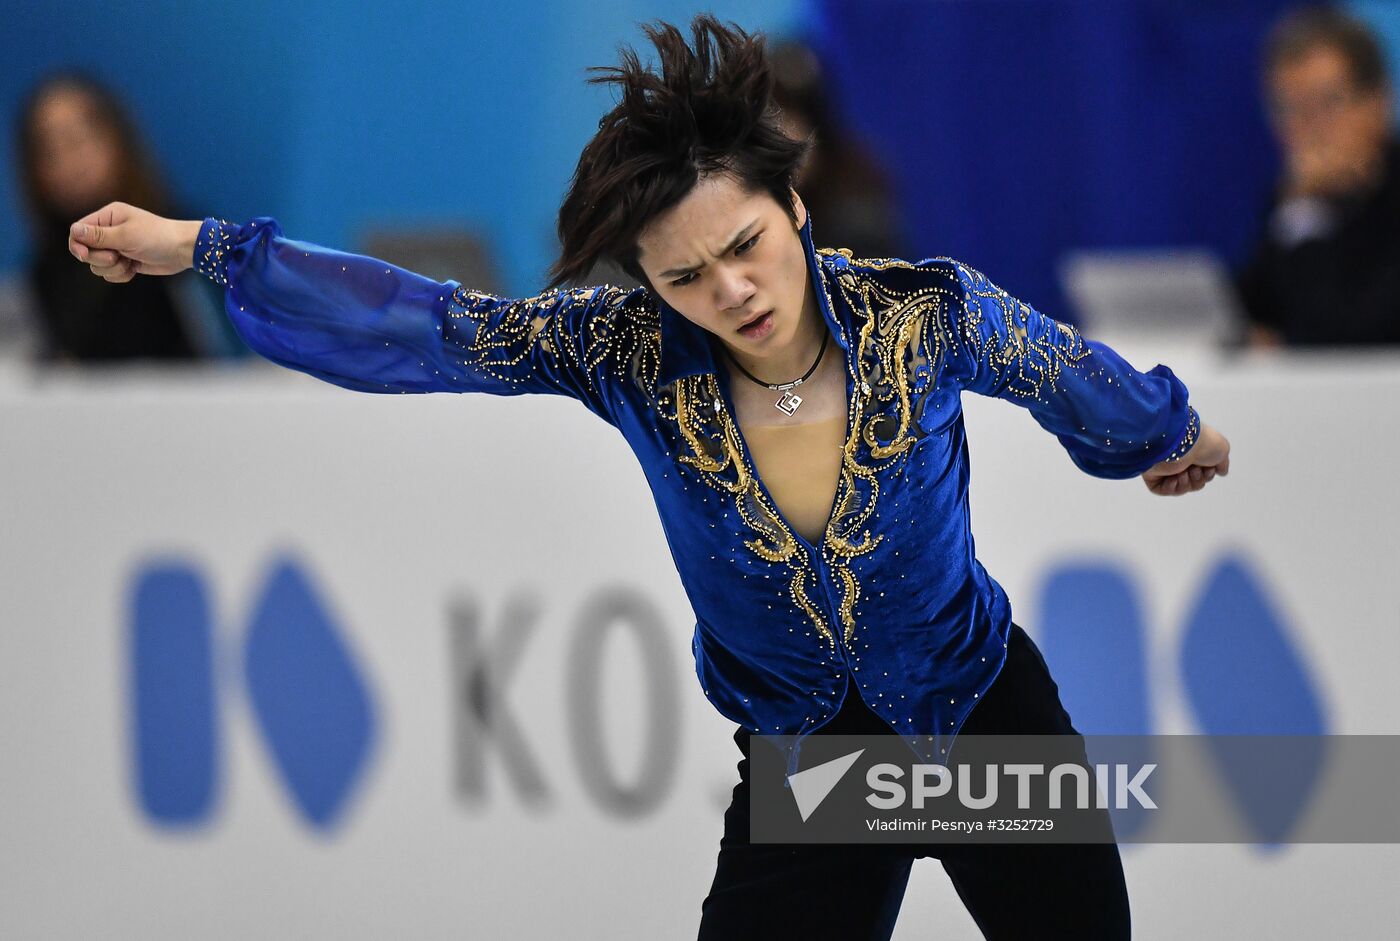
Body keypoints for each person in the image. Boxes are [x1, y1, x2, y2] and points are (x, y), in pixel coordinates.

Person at [67, 15, 1229, 938]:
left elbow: (1067, 371)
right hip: (812, 764)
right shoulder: (622, 352)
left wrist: (1165, 435)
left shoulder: (923, 316)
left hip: (986, 727)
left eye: (744, 246)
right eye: (684, 276)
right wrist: (201, 247)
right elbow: (431, 326)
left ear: (793, 207)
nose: (728, 290)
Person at [16, 71, 245, 363]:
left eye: (76, 140)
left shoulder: (184, 239)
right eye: (48, 150)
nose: (66, 161)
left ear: (116, 137)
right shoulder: (42, 272)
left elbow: (235, 359)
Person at [1236, 6, 1400, 347]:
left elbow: (1342, 339)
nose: (1310, 129)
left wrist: (1307, 210)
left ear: (1378, 102)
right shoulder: (1295, 198)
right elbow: (1252, 314)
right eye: (1291, 109)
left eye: (1328, 103)